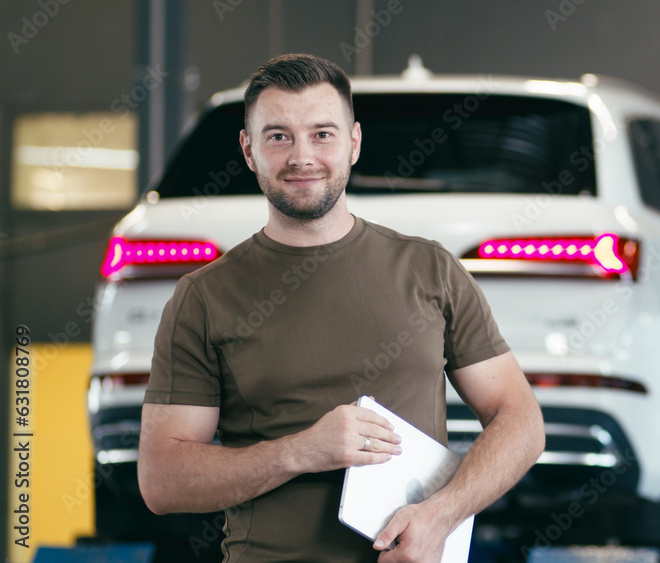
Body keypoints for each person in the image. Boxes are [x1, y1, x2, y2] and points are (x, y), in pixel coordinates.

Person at [137, 53, 545, 563]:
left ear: (353, 143)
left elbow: (521, 420)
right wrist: (301, 451)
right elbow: (161, 480)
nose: (301, 156)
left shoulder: (430, 269)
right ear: (248, 150)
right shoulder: (204, 297)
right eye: (278, 136)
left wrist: (443, 514)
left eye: (322, 134)